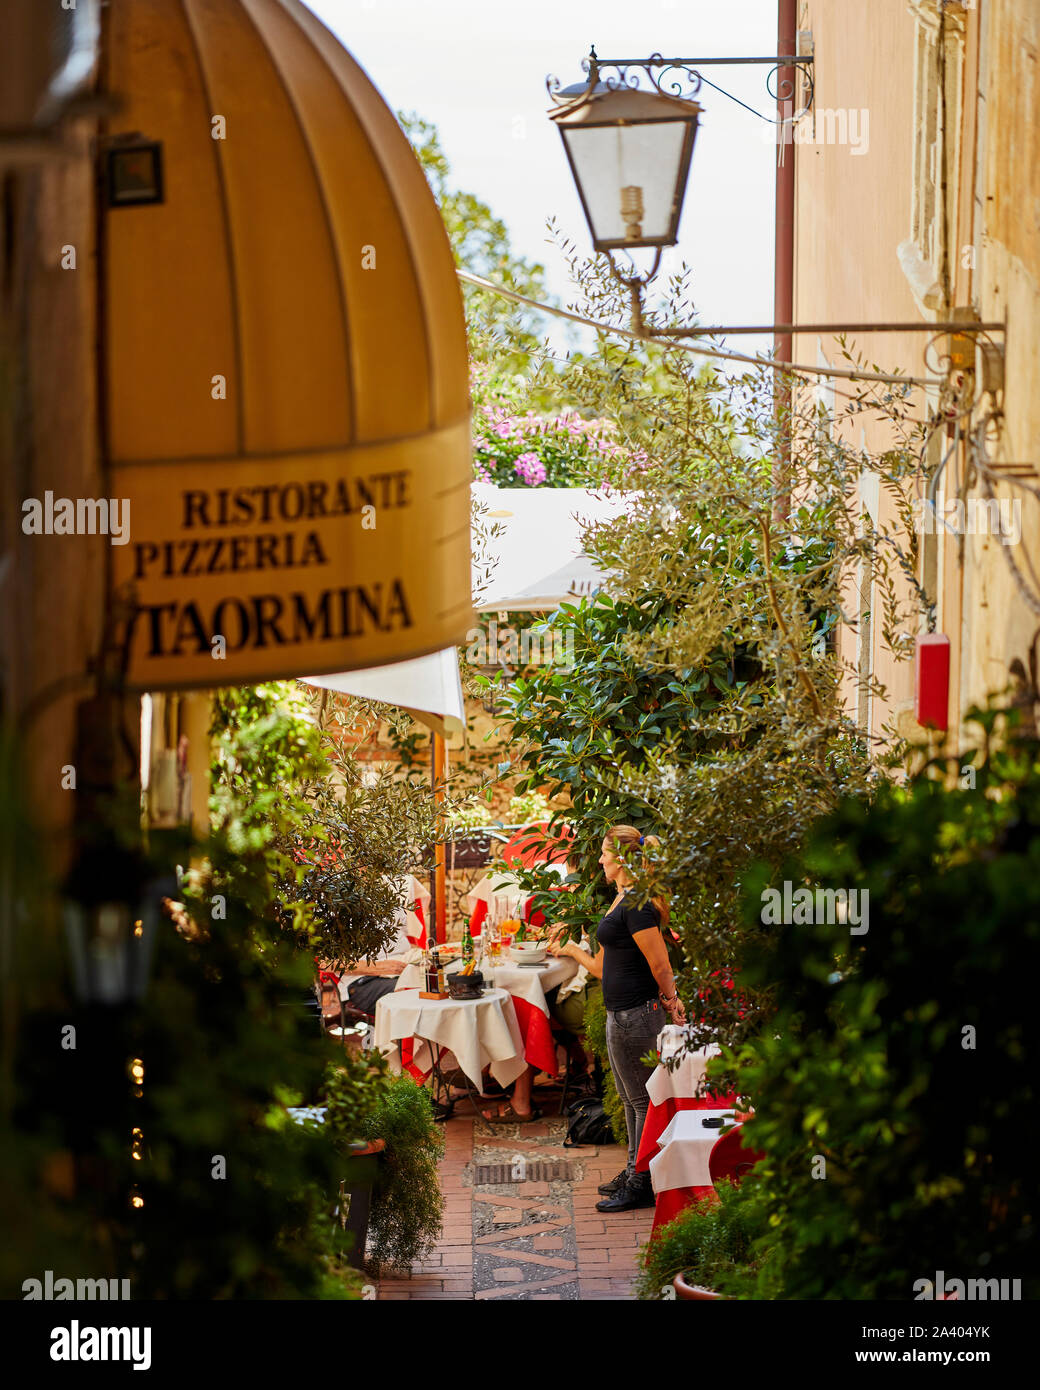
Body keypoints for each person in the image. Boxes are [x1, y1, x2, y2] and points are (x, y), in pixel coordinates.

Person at [548, 825, 686, 1212]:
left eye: (605, 853)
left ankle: (642, 1182)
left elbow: (660, 964)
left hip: (638, 1014)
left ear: (621, 858)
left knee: (641, 1101)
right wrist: (572, 949)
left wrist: (672, 1001)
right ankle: (632, 1172)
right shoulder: (620, 899)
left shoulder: (638, 905)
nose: (600, 859)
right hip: (619, 1014)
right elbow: (599, 967)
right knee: (629, 1099)